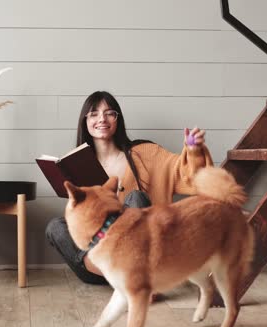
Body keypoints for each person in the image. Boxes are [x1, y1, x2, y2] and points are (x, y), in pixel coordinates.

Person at [46, 90, 214, 285]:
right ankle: (126, 277)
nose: (102, 118)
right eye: (94, 114)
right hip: (97, 265)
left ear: (118, 119)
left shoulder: (145, 153)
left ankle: (135, 275)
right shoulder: (76, 163)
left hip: (142, 255)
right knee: (55, 227)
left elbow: (186, 174)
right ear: (85, 121)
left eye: (109, 113)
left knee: (136, 198)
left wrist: (193, 152)